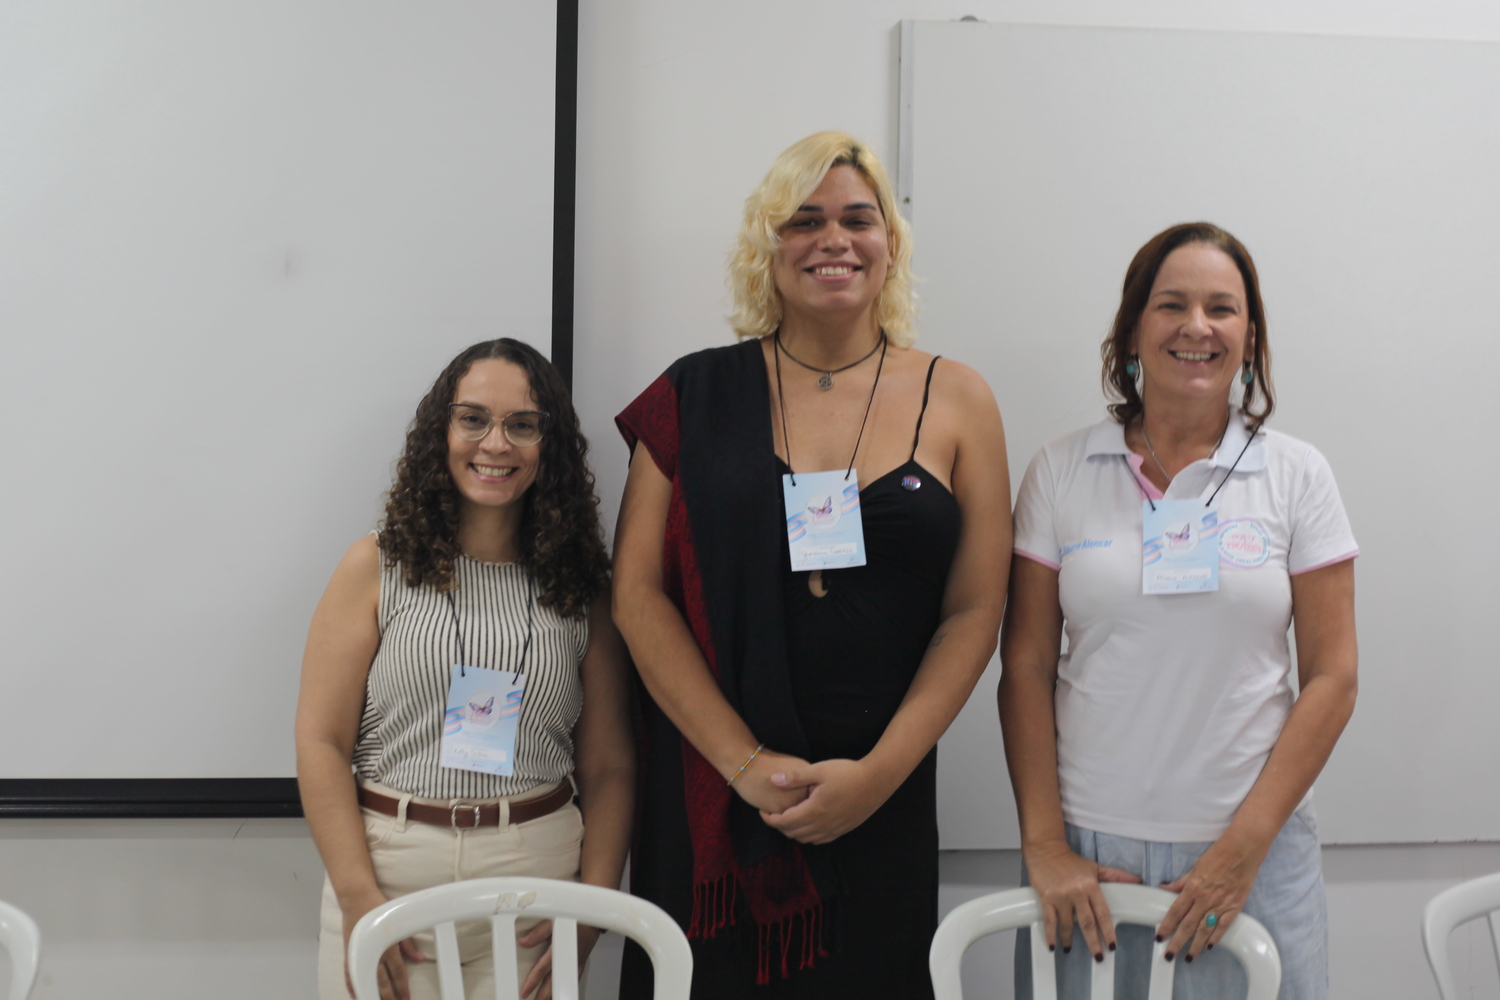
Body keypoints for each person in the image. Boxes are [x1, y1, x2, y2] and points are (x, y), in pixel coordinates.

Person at [611, 132, 1011, 999]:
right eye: (805, 221)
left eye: (858, 219)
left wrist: (877, 777)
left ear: (891, 244)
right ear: (768, 246)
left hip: (882, 798)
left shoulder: (960, 397)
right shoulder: (692, 392)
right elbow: (638, 597)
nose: (834, 240)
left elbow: (975, 612)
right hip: (717, 804)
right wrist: (743, 763)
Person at [1000, 223, 1359, 999]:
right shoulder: (1061, 470)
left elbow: (1334, 677)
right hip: (1088, 862)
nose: (1197, 326)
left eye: (1222, 309)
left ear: (1249, 337)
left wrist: (1242, 853)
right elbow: (1024, 666)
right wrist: (1045, 847)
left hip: (1253, 856)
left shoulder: (1297, 474)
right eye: (1172, 305)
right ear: (1133, 329)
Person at [295, 339, 633, 1000]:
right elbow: (320, 743)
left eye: (523, 425)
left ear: (550, 444)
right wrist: (360, 894)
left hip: (534, 882)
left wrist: (593, 911)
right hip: (388, 875)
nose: (495, 443)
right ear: (441, 431)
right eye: (472, 418)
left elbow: (610, 766)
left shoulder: (581, 586)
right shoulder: (375, 565)